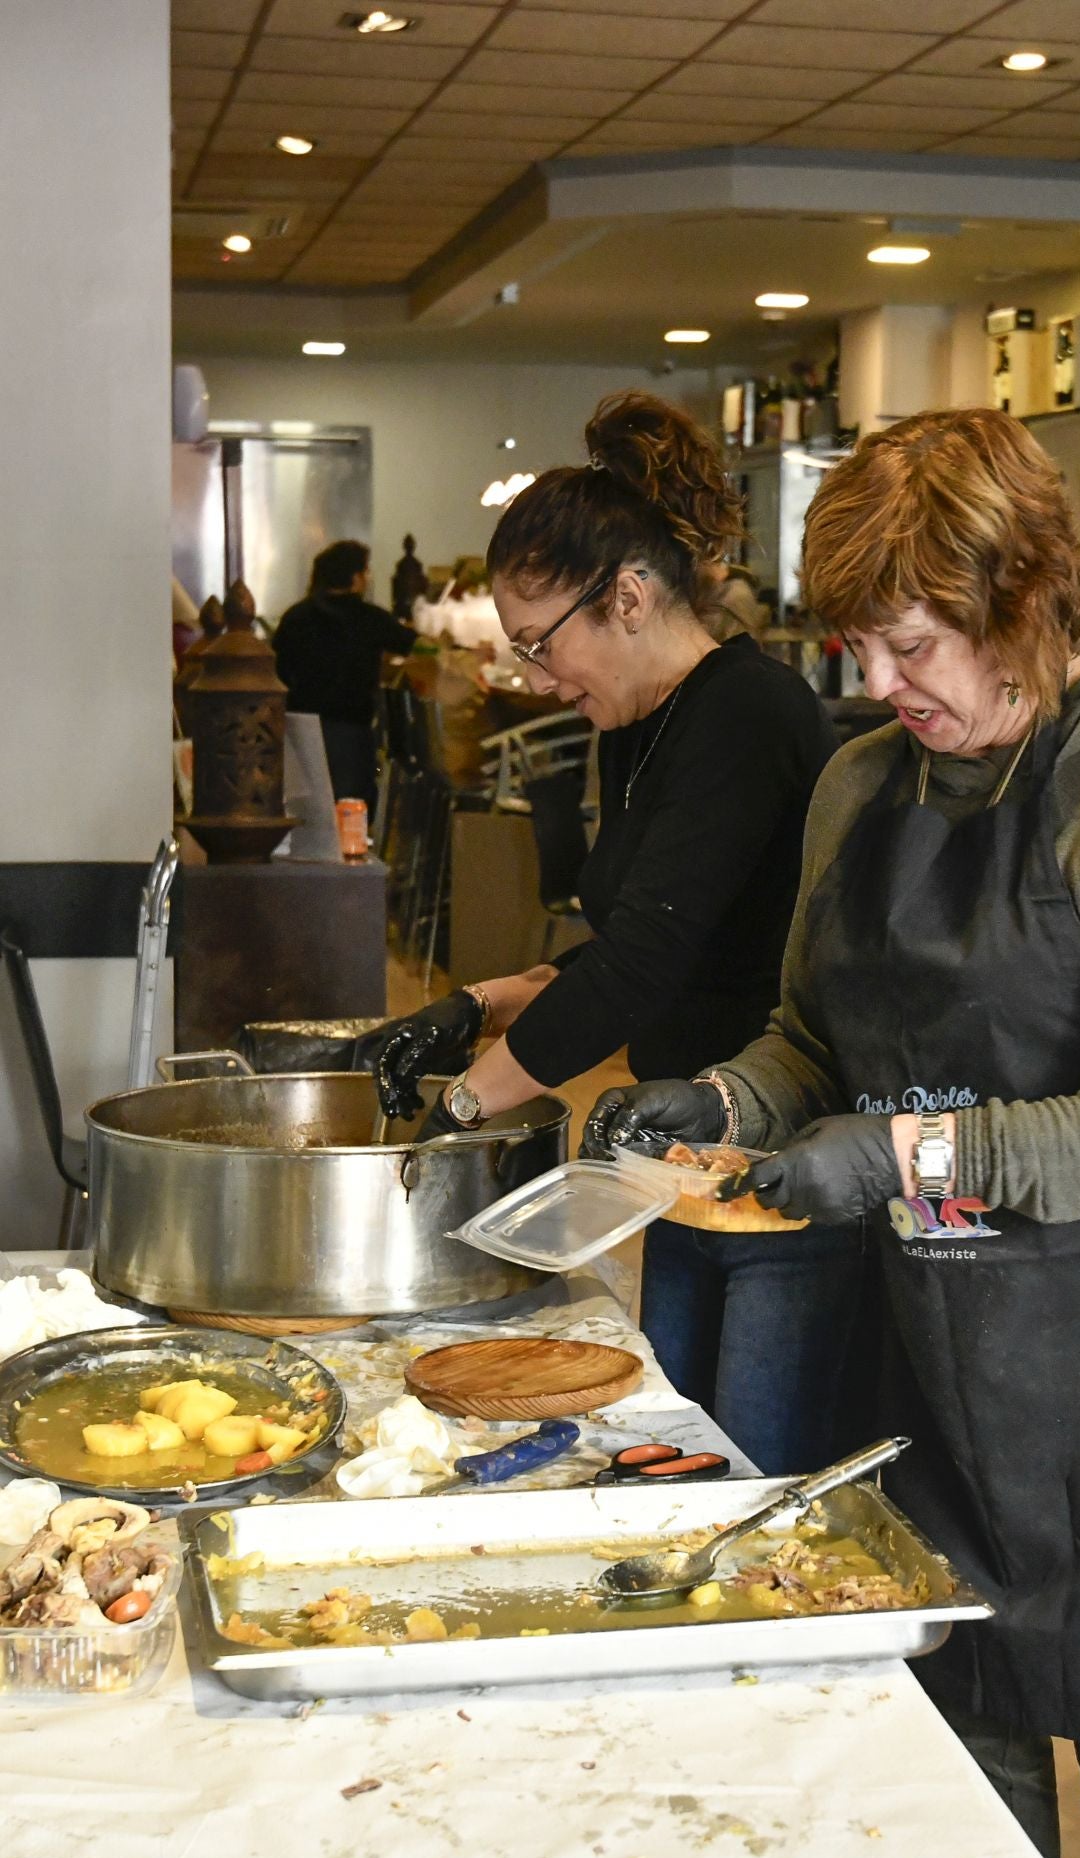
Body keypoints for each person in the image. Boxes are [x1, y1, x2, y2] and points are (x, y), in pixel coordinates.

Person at [585, 407, 1080, 1858]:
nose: (881, 684)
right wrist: (720, 1101)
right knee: (968, 1748)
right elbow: (812, 1042)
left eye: (910, 646)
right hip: (950, 1366)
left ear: (1019, 601)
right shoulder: (861, 788)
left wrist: (904, 1156)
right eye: (861, 647)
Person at [366, 389, 871, 1475]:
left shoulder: (747, 713)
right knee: (670, 1449)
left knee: (749, 1483)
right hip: (679, 1151)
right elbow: (644, 938)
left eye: (540, 645)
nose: (536, 679)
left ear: (629, 597)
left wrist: (463, 1109)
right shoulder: (638, 722)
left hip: (779, 1166)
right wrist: (478, 1005)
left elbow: (644, 966)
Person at [272, 539, 406, 811]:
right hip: (351, 730)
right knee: (348, 810)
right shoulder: (369, 618)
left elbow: (277, 670)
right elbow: (414, 644)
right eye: (366, 571)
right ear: (355, 578)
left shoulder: (295, 617)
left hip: (299, 729)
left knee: (305, 810)